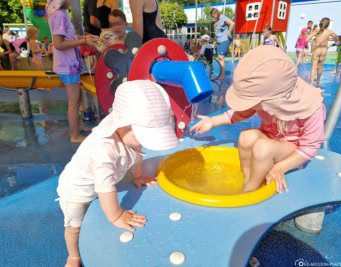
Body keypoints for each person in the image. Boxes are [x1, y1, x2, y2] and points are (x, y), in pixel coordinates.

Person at [57, 80, 178, 267]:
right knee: (75, 225)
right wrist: (116, 215)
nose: (143, 143)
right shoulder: (104, 148)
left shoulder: (129, 137)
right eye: (143, 135)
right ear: (122, 123)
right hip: (76, 190)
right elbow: (104, 187)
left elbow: (136, 155)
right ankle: (73, 256)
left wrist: (137, 176)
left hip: (100, 181)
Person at [191, 45, 326, 194]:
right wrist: (212, 121)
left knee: (263, 148)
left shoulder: (311, 108)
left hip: (293, 152)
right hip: (270, 141)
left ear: (273, 100)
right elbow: (238, 113)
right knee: (246, 136)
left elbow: (310, 147)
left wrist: (281, 167)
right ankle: (248, 180)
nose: (250, 105)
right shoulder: (264, 97)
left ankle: (249, 191)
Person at [46, 0, 98, 143]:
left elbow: (70, 38)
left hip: (70, 65)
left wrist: (87, 38)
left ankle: (77, 126)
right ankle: (74, 136)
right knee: (74, 103)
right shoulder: (58, 15)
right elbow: (59, 44)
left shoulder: (59, 13)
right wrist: (84, 42)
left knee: (78, 99)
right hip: (67, 66)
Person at [306, 17, 338, 86]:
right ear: (328, 25)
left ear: (320, 23)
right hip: (324, 50)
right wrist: (328, 38)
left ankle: (311, 83)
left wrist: (314, 40)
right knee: (320, 67)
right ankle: (317, 81)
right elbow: (337, 39)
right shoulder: (329, 31)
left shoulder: (316, 31)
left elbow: (307, 39)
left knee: (313, 68)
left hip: (316, 50)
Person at [210, 8, 235, 80]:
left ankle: (222, 75)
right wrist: (216, 25)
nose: (213, 17)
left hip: (224, 40)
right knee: (220, 57)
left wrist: (228, 32)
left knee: (221, 57)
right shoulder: (219, 20)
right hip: (220, 41)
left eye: (213, 15)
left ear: (216, 13)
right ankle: (222, 74)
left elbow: (232, 23)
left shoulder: (223, 18)